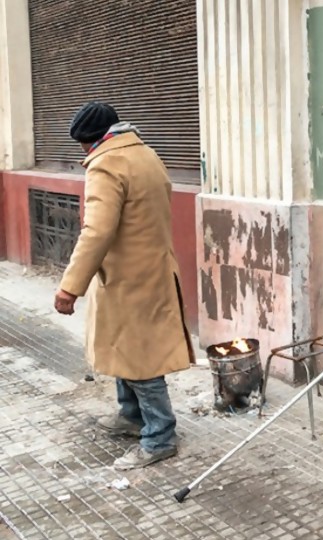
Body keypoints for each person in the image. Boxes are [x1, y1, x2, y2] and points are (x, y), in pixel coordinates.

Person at [54, 102, 195, 470]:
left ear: (92, 142)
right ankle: (131, 415)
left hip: (129, 280)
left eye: (84, 145)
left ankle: (160, 436)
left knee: (140, 359)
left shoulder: (106, 164)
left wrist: (70, 287)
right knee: (125, 349)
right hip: (150, 272)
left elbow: (97, 231)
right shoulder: (146, 154)